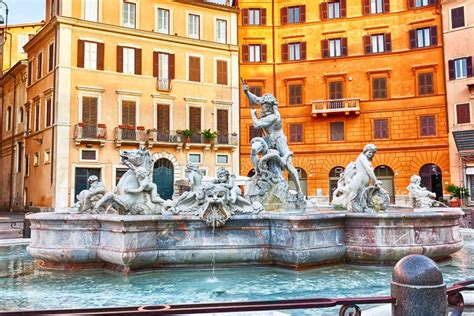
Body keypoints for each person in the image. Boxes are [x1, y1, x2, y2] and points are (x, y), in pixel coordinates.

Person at [242, 84, 303, 196]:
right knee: (254, 150)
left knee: (288, 165)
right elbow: (255, 99)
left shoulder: (273, 117)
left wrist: (253, 115)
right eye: (262, 106)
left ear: (269, 107)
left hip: (279, 140)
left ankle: (299, 191)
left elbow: (256, 125)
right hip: (267, 140)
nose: (262, 108)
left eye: (264, 107)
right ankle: (258, 173)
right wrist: (247, 92)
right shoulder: (266, 106)